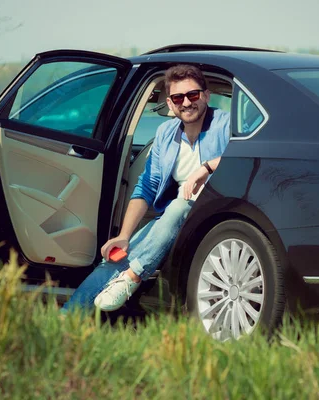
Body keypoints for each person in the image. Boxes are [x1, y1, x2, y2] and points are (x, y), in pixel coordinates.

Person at [62, 64, 231, 313]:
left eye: (193, 95)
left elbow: (251, 153)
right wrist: (124, 236)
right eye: (178, 98)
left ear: (206, 95)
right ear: (171, 105)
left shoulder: (224, 124)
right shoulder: (165, 133)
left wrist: (207, 167)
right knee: (114, 259)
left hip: (214, 215)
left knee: (179, 204)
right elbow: (147, 187)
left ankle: (133, 277)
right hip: (175, 219)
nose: (186, 102)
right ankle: (68, 319)